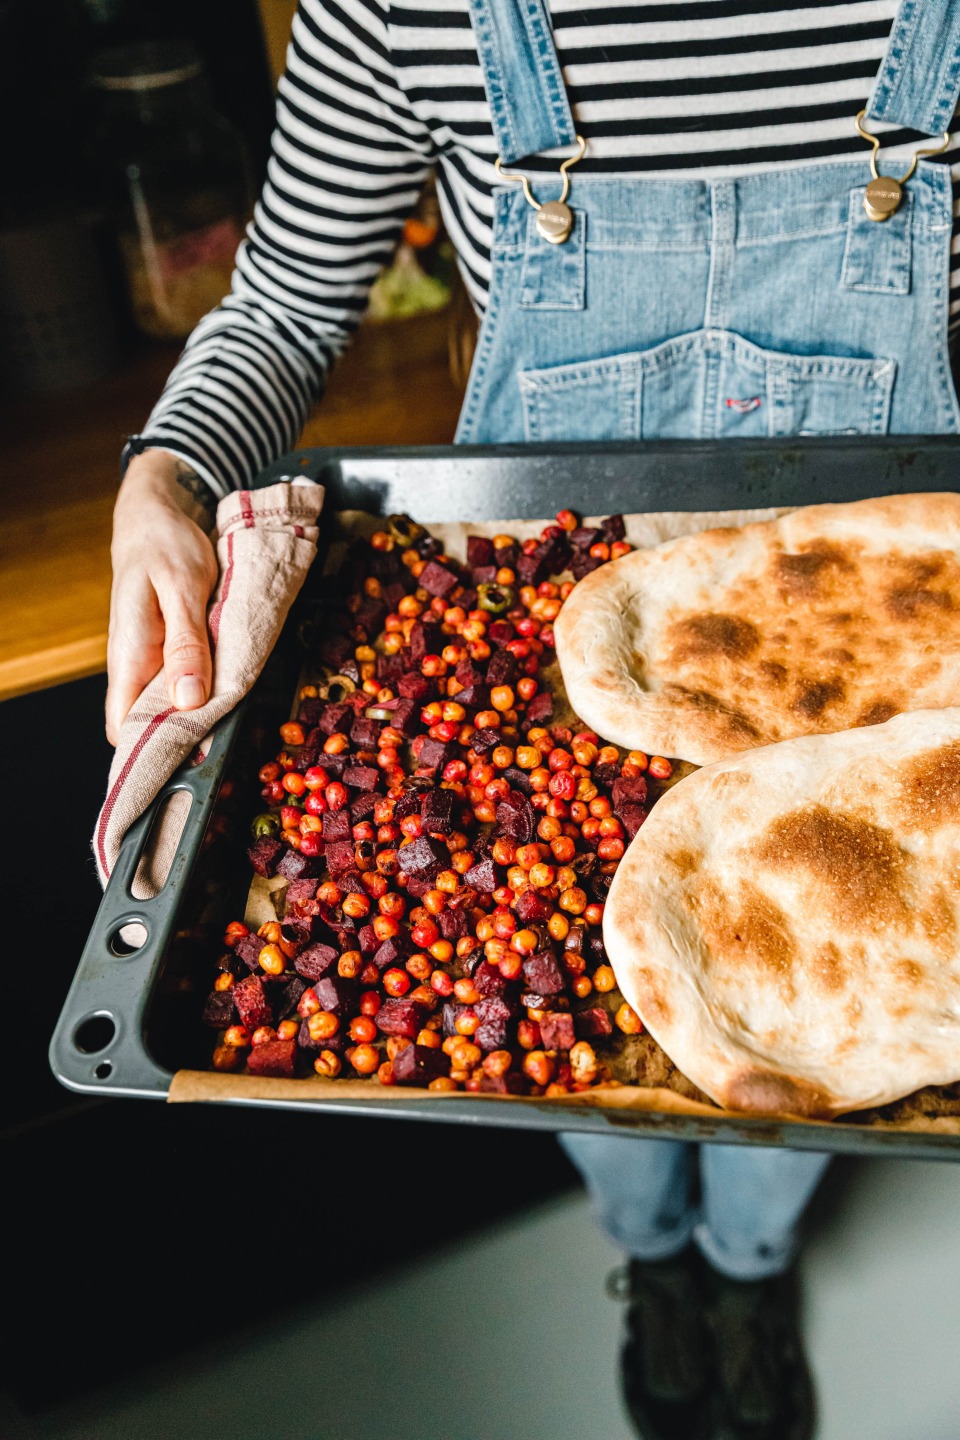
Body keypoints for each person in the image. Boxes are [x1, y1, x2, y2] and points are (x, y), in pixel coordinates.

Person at [107, 3, 960, 1436]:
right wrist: (169, 474)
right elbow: (286, 304)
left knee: (831, 1057)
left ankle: (748, 1268)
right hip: (551, 639)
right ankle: (655, 1252)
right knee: (590, 1082)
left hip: (886, 668)